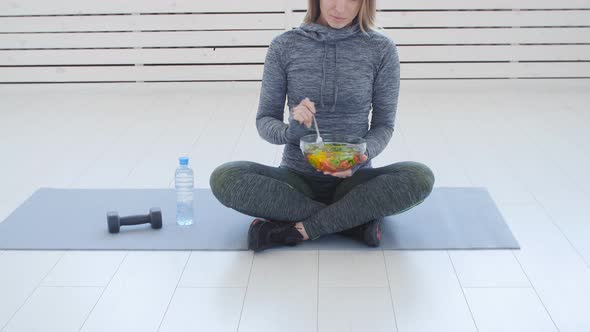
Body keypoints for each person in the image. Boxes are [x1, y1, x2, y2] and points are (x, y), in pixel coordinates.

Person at [210, 0, 435, 251]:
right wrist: (290, 131)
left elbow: (383, 125)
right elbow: (264, 120)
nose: (339, 8)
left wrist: (363, 154)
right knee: (224, 178)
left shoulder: (381, 49)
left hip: (355, 181)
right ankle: (351, 221)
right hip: (296, 181)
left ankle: (302, 229)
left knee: (420, 177)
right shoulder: (284, 45)